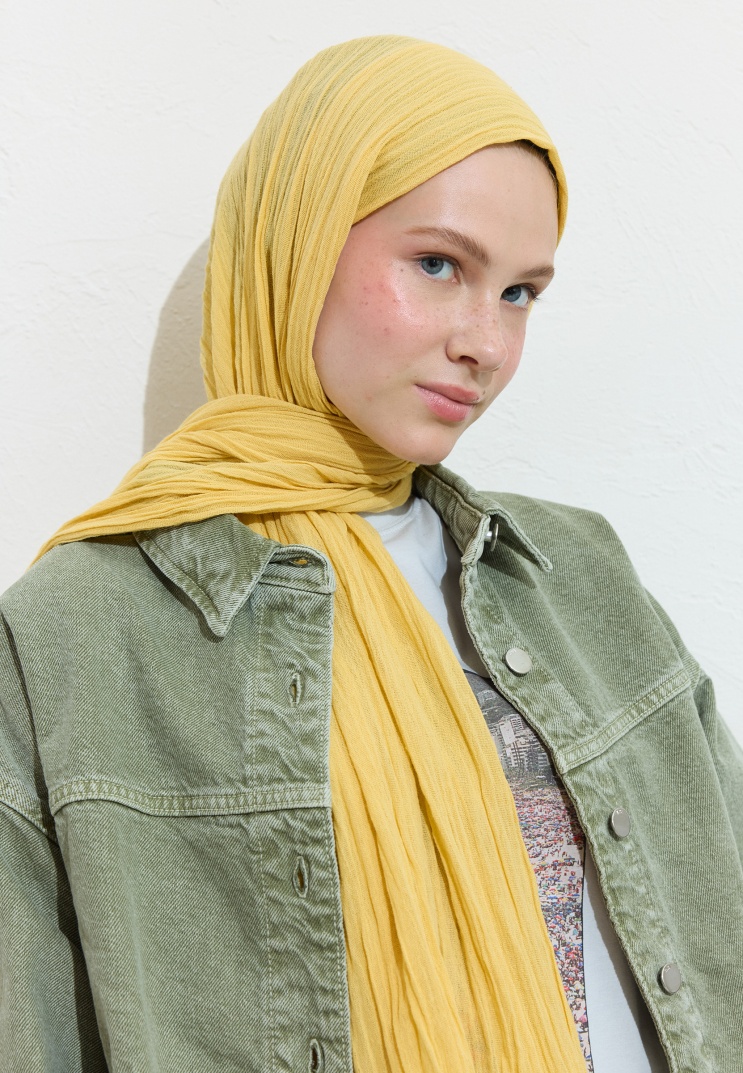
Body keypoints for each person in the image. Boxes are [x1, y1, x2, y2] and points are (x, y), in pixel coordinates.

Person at [0, 34, 740, 1073]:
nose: (486, 342)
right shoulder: (78, 632)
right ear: (296, 244)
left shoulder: (576, 572)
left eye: (520, 292)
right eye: (438, 265)